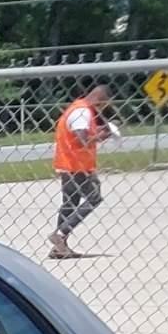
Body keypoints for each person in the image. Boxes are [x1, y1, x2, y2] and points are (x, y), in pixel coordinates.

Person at [50, 83, 118, 258]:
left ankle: (60, 247)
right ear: (101, 99)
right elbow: (82, 140)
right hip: (77, 166)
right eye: (105, 104)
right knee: (94, 198)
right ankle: (60, 234)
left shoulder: (77, 108)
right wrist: (103, 135)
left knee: (70, 203)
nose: (103, 108)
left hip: (68, 164)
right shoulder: (83, 112)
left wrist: (99, 131)